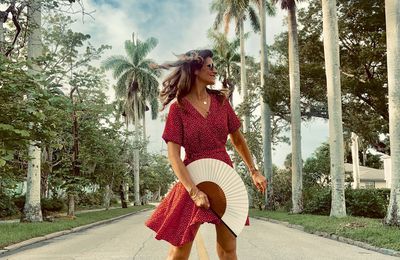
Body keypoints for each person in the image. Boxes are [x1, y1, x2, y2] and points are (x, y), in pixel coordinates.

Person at [145, 49, 267, 260]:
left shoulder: (221, 102)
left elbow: (237, 139)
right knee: (179, 252)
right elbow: (174, 156)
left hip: (223, 177)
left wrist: (253, 171)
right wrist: (194, 192)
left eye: (214, 66)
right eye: (209, 66)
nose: (214, 70)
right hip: (193, 178)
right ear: (194, 71)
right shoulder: (178, 109)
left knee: (228, 249)